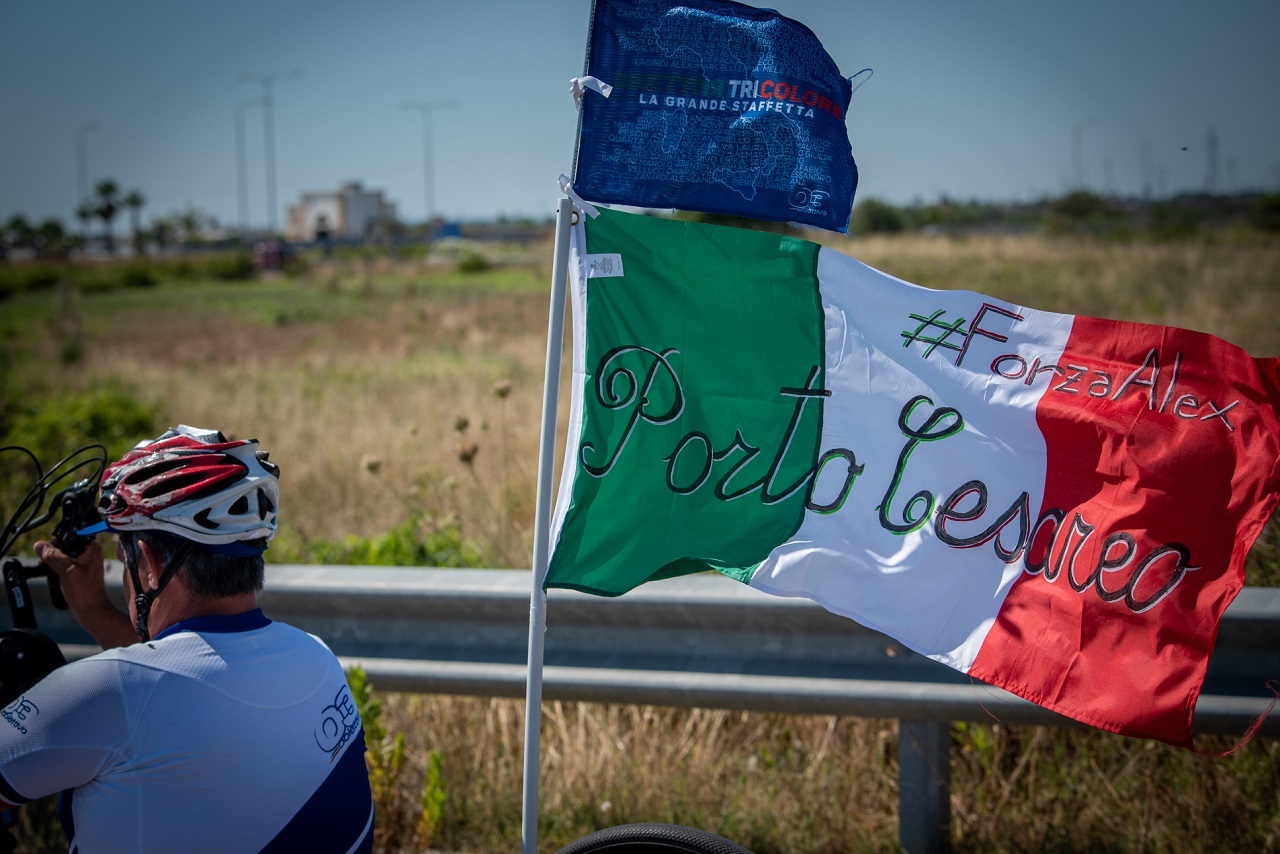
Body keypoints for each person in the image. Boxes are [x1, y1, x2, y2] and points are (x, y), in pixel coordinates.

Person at [0, 426, 373, 852]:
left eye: (126, 558)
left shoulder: (107, 691)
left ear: (151, 563)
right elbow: (182, 677)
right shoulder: (317, 657)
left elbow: (145, 688)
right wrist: (97, 611)